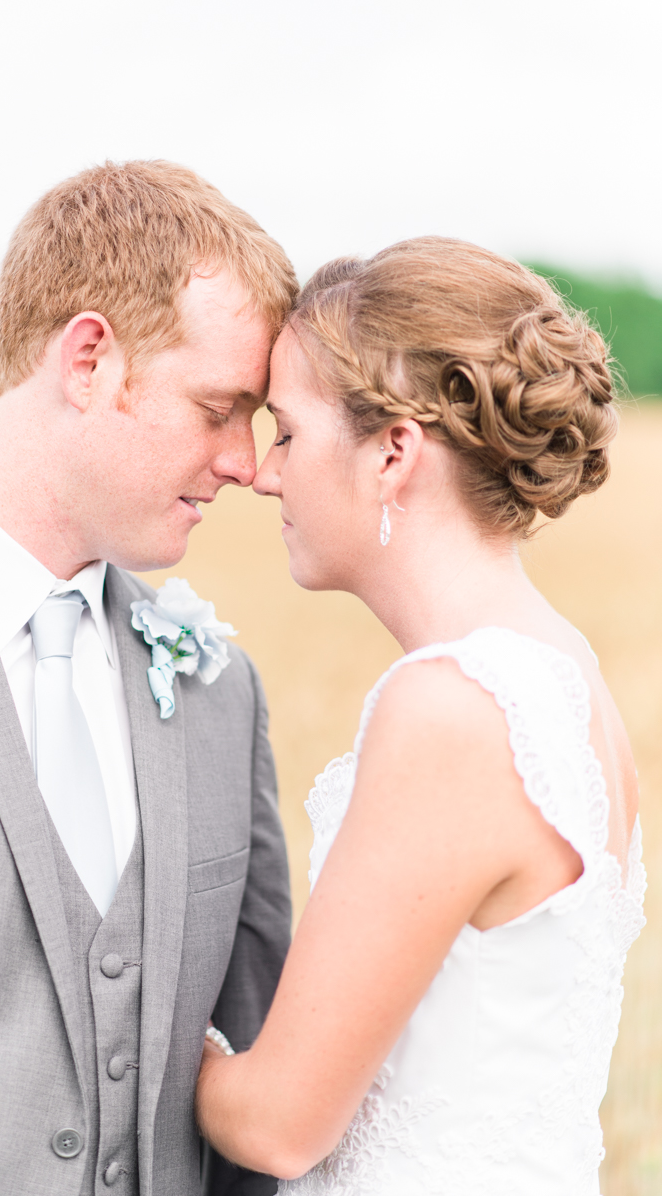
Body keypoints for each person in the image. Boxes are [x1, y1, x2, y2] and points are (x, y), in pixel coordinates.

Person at [0, 161, 296, 1196]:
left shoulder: (215, 685)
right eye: (217, 406)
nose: (244, 459)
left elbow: (251, 1045)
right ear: (90, 359)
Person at [195, 238, 647, 1194]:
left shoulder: (453, 707)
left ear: (394, 451)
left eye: (288, 432)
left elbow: (279, 1126)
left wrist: (138, 1032)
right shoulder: (565, 672)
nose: (264, 473)